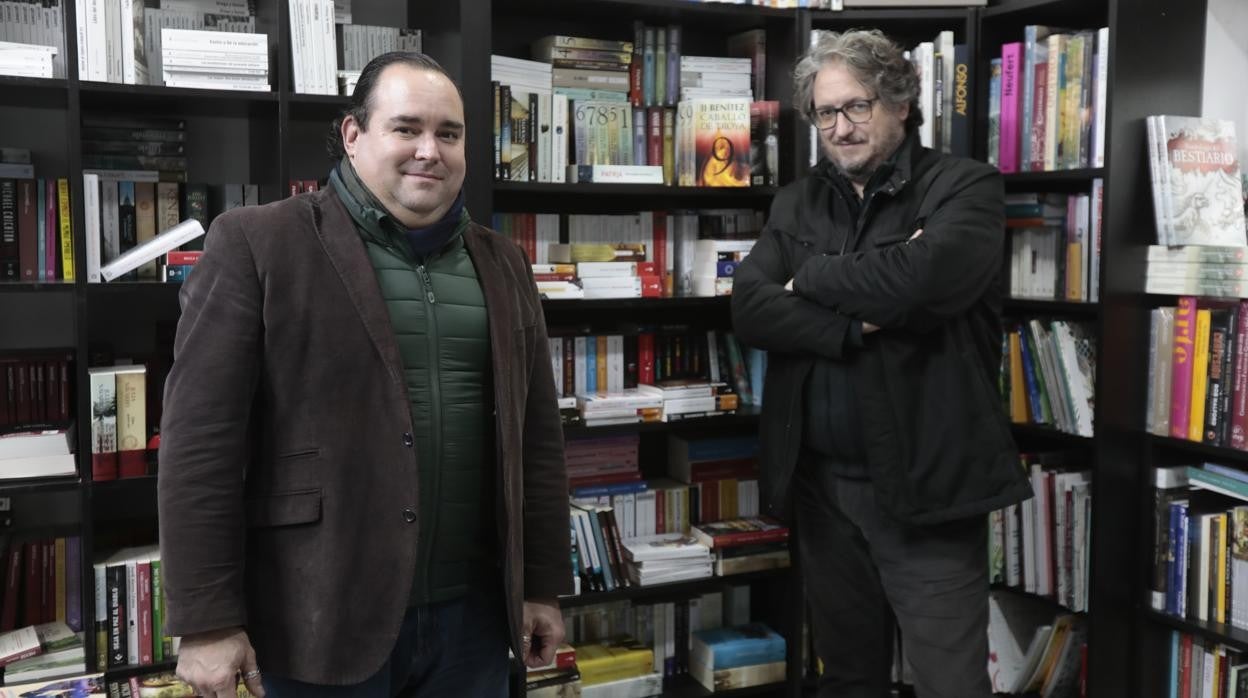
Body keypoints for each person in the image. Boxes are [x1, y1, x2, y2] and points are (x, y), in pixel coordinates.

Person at [157, 52, 571, 698]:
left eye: (449, 134)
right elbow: (199, 447)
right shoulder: (257, 245)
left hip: (474, 627)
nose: (429, 151)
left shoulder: (505, 263)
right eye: (406, 129)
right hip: (319, 622)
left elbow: (537, 442)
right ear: (354, 137)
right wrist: (207, 621)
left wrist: (540, 584)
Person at [731, 30, 1032, 698]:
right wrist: (853, 321)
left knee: (947, 680)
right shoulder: (798, 200)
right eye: (825, 113)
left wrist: (806, 275)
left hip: (928, 489)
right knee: (848, 677)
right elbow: (750, 310)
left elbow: (924, 280)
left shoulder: (966, 188)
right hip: (821, 489)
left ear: (899, 103)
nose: (840, 128)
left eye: (857, 107)